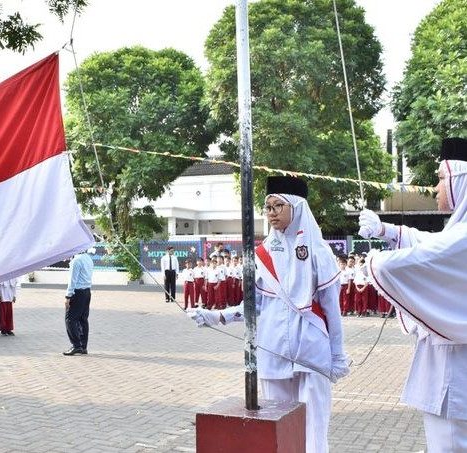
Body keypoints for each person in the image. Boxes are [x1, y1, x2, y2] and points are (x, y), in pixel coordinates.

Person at [189, 176, 349, 453]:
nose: (272, 212)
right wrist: (218, 316)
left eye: (278, 206)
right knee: (279, 424)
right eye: (268, 207)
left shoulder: (319, 252)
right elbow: (255, 305)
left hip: (311, 349)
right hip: (273, 349)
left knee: (313, 426)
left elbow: (332, 309)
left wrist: (337, 355)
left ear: (296, 208)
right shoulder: (262, 254)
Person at [358, 137, 467, 452]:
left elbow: (429, 256)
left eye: (440, 178)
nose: (435, 188)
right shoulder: (457, 233)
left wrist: (375, 262)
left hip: (455, 377)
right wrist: (387, 231)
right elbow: (434, 244)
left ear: (459, 180)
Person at [63, 248, 94, 356]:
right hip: (87, 291)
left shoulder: (76, 261)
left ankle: (76, 346)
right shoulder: (88, 258)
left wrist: (68, 296)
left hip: (78, 292)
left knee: (70, 319)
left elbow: (72, 280)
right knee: (83, 320)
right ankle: (83, 346)